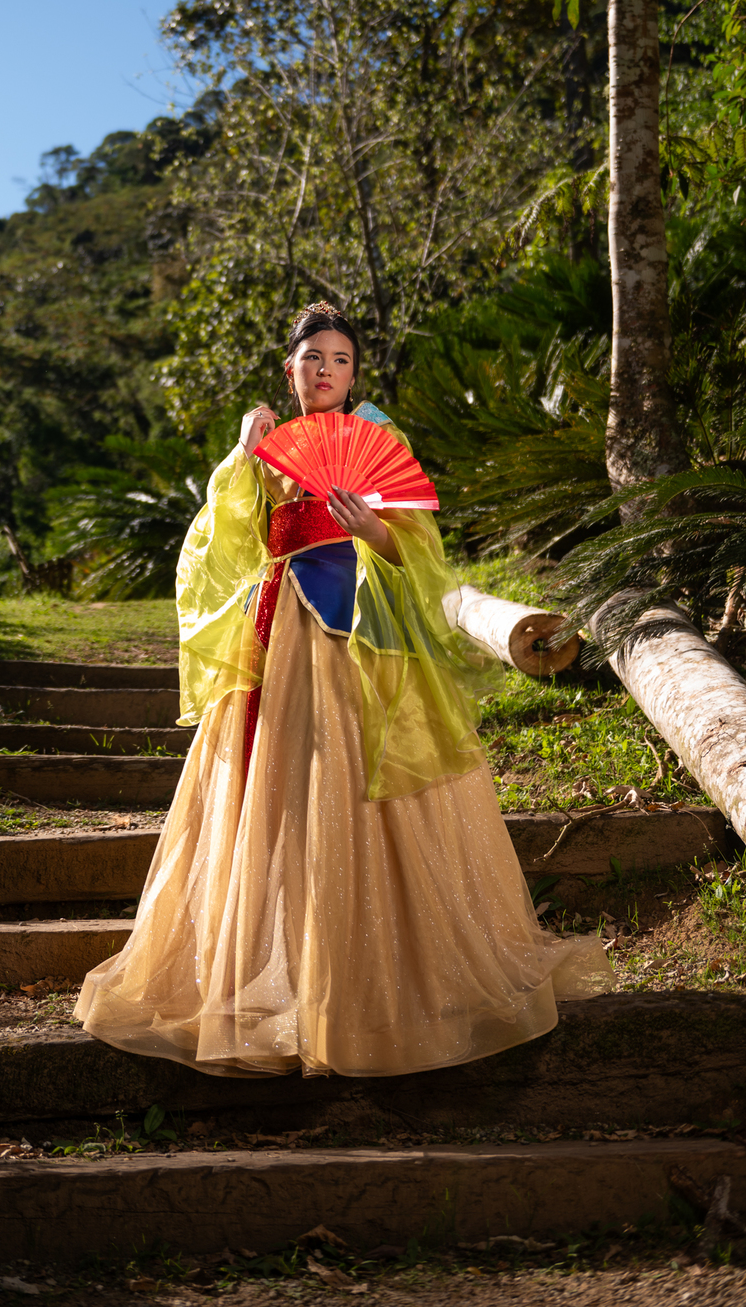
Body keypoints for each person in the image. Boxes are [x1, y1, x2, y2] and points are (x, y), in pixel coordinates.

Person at [75, 301, 610, 1078]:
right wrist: (240, 458)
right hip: (277, 630)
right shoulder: (267, 445)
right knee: (277, 793)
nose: (326, 370)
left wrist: (369, 528)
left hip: (358, 630)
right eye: (312, 358)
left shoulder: (379, 437)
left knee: (358, 784)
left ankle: (371, 982)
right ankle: (273, 973)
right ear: (288, 368)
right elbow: (223, 543)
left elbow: (414, 549)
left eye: (341, 360)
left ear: (355, 373)